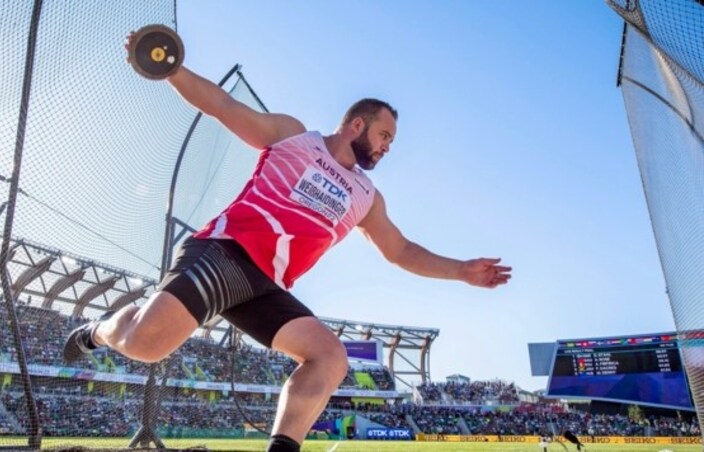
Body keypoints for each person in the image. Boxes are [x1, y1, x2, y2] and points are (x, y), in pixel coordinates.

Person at [62, 32, 512, 452]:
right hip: (225, 253)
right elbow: (222, 105)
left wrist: (460, 270)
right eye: (384, 135)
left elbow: (400, 250)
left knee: (329, 357)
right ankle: (96, 331)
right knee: (146, 344)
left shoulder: (367, 198)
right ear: (357, 124)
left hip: (266, 285)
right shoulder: (293, 137)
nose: (387, 147)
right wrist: (171, 68)